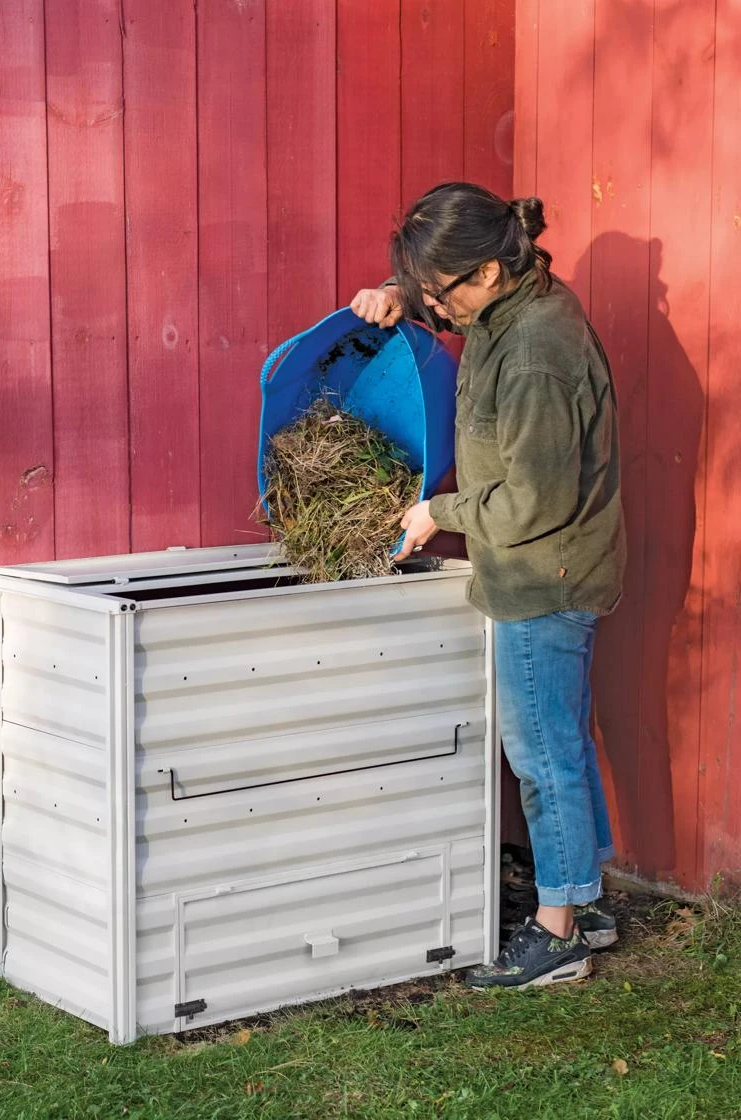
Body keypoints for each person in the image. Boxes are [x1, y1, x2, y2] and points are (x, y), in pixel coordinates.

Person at [350, 182, 626, 990]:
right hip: (546, 568)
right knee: (561, 741)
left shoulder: (537, 351)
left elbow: (532, 501)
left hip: (545, 576)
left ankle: (558, 935)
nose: (436, 306)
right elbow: (441, 298)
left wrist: (440, 510)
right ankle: (583, 902)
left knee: (540, 755)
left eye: (440, 291)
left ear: (486, 271)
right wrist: (396, 295)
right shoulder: (507, 300)